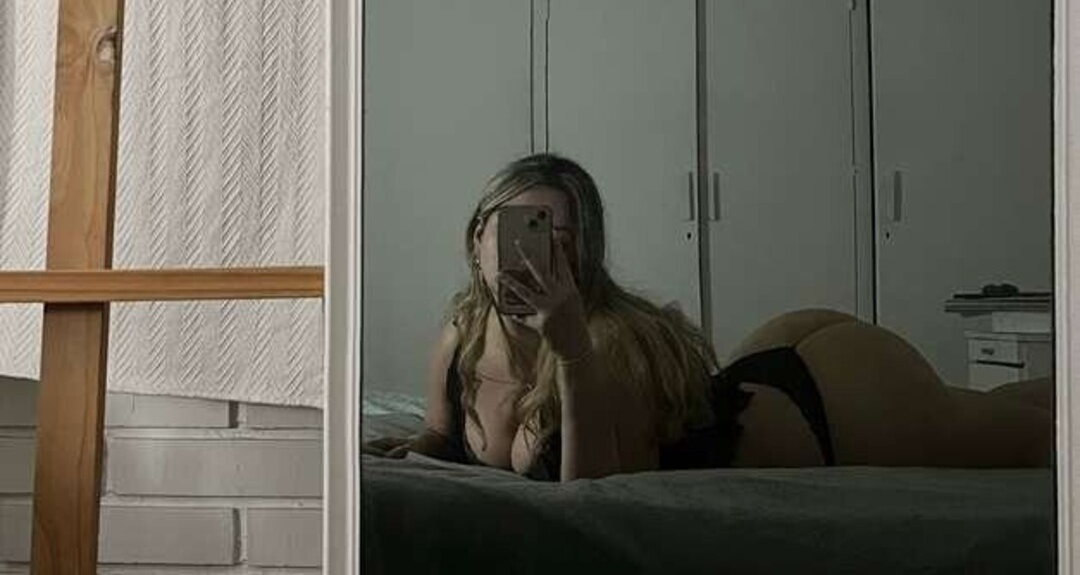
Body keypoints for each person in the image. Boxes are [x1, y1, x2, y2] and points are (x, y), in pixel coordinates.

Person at [363, 153, 1053, 482]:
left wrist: (569, 348)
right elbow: (441, 433)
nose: (529, 253)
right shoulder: (461, 333)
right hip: (762, 375)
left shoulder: (609, 343)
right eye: (514, 228)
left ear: (584, 250)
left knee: (1043, 437)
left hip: (835, 404)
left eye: (554, 235)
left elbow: (590, 500)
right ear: (476, 237)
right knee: (1006, 405)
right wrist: (415, 448)